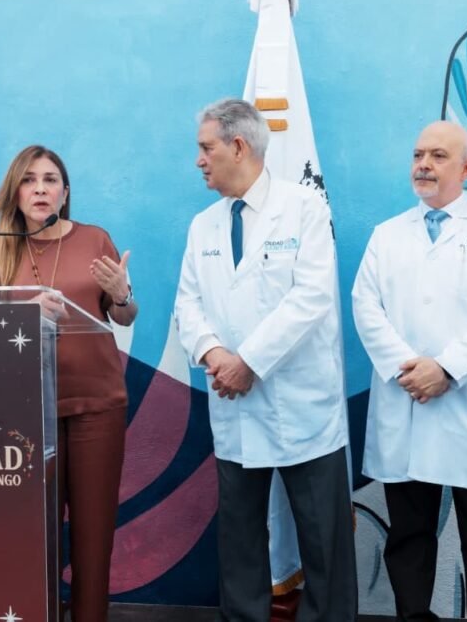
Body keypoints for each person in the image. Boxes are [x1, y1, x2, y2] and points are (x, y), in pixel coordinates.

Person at [173, 98, 356, 621]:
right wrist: (214, 353)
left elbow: (311, 298)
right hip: (234, 405)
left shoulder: (304, 209)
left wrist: (247, 362)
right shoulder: (204, 225)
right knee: (240, 538)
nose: (198, 160)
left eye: (206, 148)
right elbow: (188, 304)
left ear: (238, 145)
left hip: (301, 405)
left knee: (323, 540)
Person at [352, 121, 467, 621]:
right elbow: (366, 305)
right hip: (405, 397)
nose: (424, 165)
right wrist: (408, 370)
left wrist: (447, 369)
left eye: (438, 156)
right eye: (418, 155)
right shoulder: (387, 235)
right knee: (409, 534)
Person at [0, 145, 136, 622]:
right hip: (25, 410)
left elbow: (124, 315)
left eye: (50, 179)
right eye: (29, 180)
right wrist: (22, 313)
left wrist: (122, 294)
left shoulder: (95, 239)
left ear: (65, 192)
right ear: (14, 192)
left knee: (94, 533)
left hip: (97, 404)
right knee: (35, 534)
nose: (40, 188)